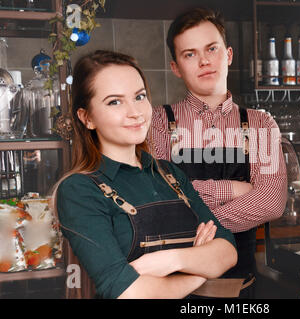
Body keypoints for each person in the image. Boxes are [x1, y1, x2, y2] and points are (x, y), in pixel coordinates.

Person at [53, 50, 237, 299]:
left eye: (139, 97)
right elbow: (129, 293)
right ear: (87, 118)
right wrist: (200, 271)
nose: (135, 112)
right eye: (114, 102)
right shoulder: (78, 190)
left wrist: (170, 260)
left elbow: (227, 251)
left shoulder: (170, 174)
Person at [151, 8, 287, 298]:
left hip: (242, 291)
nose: (203, 61)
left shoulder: (261, 124)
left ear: (228, 55)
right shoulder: (158, 122)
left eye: (211, 49)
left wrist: (195, 221)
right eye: (189, 54)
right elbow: (160, 201)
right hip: (177, 292)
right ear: (176, 67)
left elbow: (272, 202)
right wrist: (236, 189)